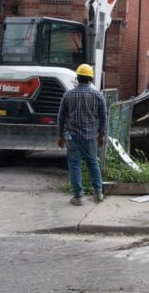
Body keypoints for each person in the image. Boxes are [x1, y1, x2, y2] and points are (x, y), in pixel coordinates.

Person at [57, 63, 107, 206]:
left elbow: (61, 117)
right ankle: (98, 193)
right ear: (90, 79)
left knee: (75, 165)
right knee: (93, 163)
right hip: (91, 136)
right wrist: (102, 134)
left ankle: (78, 196)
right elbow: (103, 117)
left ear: (77, 78)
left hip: (72, 136)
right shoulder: (97, 95)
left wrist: (60, 136)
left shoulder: (68, 95)